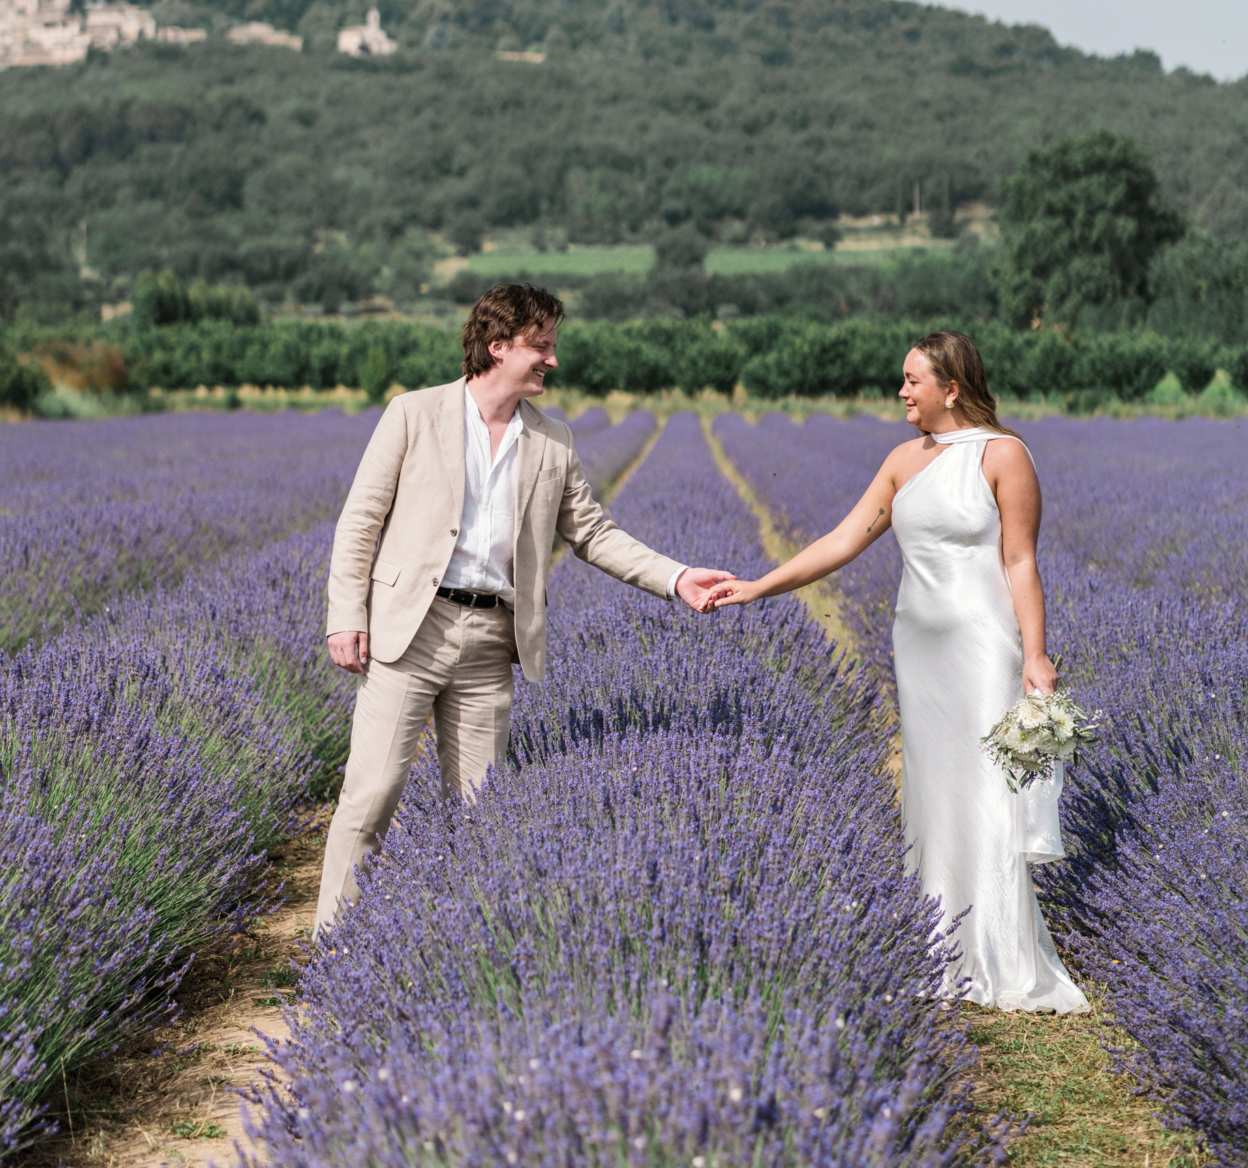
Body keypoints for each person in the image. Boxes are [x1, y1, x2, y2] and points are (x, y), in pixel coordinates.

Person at [314, 283, 735, 935]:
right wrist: (347, 614)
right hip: (409, 633)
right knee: (369, 800)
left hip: (491, 643)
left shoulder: (552, 441)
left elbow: (593, 534)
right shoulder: (413, 415)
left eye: (552, 347)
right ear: (497, 346)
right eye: (541, 347)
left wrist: (676, 578)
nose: (552, 361)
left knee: (482, 817)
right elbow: (360, 521)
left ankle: (460, 946)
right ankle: (332, 954)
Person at [708, 330, 1087, 1013]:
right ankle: (944, 944)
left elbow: (1020, 561)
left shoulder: (1004, 455)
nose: (902, 392)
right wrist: (759, 586)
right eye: (903, 380)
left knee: (985, 788)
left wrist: (1035, 653)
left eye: (914, 381)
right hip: (918, 648)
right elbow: (844, 540)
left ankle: (999, 953)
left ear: (953, 387)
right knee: (934, 787)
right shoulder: (901, 461)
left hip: (980, 643)